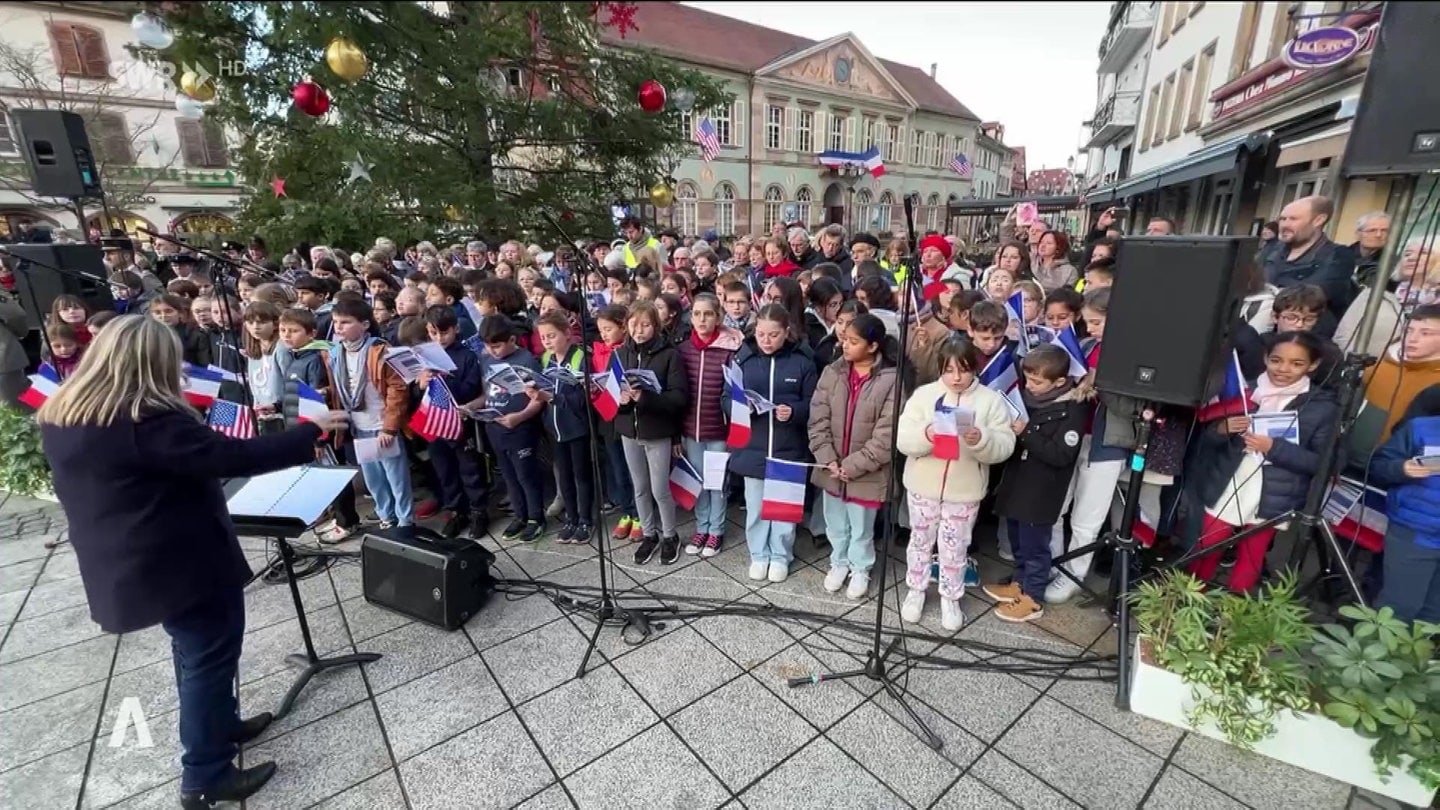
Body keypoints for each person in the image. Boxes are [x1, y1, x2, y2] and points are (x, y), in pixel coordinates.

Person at [36, 314, 348, 808]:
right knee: (206, 655)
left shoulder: (65, 413)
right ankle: (205, 775)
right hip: (178, 559)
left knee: (193, 650)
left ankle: (221, 726)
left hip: (129, 558)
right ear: (150, 363)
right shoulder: (144, 422)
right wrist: (309, 431)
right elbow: (229, 457)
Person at [1187, 331, 1337, 591]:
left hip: (1275, 491)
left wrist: (1274, 448)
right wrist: (1221, 430)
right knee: (1207, 545)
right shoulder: (1247, 393)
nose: (1283, 369)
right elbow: (1208, 440)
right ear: (1266, 357)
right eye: (1276, 360)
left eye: (1296, 363)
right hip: (1229, 478)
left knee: (1251, 557)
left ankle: (1232, 617)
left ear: (1313, 365)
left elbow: (1323, 463)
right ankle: (1186, 602)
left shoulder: (1321, 407)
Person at [896, 336, 1016, 629]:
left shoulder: (989, 400)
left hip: (964, 490)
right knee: (920, 541)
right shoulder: (924, 395)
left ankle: (951, 596)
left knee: (955, 546)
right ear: (940, 369)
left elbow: (1004, 445)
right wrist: (926, 434)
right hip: (923, 485)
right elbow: (902, 440)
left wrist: (981, 439)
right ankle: (916, 589)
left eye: (963, 369)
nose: (956, 377)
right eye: (949, 370)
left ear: (974, 368)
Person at [984, 345, 1088, 622]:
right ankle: (1019, 583)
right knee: (1018, 537)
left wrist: (1026, 431)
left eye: (1037, 381)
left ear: (1060, 382)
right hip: (1019, 481)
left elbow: (1062, 454)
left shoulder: (1072, 408)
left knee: (1035, 546)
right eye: (1027, 378)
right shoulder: (1029, 398)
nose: (1030, 385)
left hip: (1042, 490)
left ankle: (1032, 599)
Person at [810, 313, 896, 599]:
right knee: (835, 521)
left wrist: (853, 465)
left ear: (873, 346)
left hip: (866, 473)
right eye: (844, 339)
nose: (845, 346)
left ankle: (861, 567)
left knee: (861, 527)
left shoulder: (892, 380)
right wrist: (828, 458)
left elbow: (886, 435)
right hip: (830, 467)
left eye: (854, 341)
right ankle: (839, 561)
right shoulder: (832, 373)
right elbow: (817, 419)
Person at [730, 304, 818, 582]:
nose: (766, 341)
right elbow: (726, 396)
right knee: (755, 507)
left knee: (783, 509)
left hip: (788, 447)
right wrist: (742, 406)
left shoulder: (802, 361)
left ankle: (781, 555)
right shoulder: (742, 359)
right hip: (753, 446)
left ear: (786, 333)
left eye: (774, 335)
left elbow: (814, 403)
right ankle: (759, 554)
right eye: (761, 334)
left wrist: (793, 411)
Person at [328, 298, 414, 531]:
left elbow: (398, 389)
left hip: (381, 424)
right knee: (373, 479)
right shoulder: (335, 353)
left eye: (345, 322)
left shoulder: (379, 350)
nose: (338, 327)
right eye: (336, 322)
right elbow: (338, 388)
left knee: (396, 477)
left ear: (365, 324)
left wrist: (390, 426)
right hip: (359, 425)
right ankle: (386, 516)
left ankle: (405, 520)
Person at [616, 301, 689, 564]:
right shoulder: (621, 354)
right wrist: (621, 400)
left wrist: (645, 397)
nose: (639, 330)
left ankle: (670, 535)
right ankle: (649, 534)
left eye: (645, 324)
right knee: (640, 488)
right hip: (629, 431)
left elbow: (679, 397)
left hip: (657, 431)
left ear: (655, 326)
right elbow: (612, 392)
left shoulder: (669, 355)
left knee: (660, 489)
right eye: (634, 324)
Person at [676, 293, 744, 556]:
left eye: (708, 314)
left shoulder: (730, 349)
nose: (702, 319)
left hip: (718, 430)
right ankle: (701, 527)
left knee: (716, 482)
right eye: (697, 314)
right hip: (691, 431)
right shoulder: (683, 349)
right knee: (698, 482)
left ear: (718, 317)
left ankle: (716, 530)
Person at [1368, 405, 1440, 623]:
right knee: (1399, 609)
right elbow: (1377, 467)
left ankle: (1414, 658)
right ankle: (1369, 657)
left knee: (1434, 616)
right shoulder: (1421, 428)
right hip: (1414, 533)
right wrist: (1401, 468)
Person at [477, 316, 547, 541]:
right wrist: (470, 407)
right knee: (508, 475)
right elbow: (485, 392)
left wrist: (520, 417)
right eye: (488, 346)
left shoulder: (526, 360)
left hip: (521, 428)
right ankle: (520, 515)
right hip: (495, 427)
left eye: (497, 345)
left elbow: (539, 398)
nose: (492, 350)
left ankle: (536, 517)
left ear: (512, 340)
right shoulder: (486, 359)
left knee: (526, 474)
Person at [423, 305, 489, 539]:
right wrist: (421, 382)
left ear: (455, 329)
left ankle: (478, 511)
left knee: (469, 468)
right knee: (444, 469)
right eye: (433, 333)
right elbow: (414, 393)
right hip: (433, 419)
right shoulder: (425, 354)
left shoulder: (467, 355)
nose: (439, 338)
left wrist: (446, 379)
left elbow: (471, 388)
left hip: (460, 418)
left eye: (444, 333)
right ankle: (455, 510)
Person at [534, 310, 595, 543]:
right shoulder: (547, 358)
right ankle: (571, 518)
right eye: (543, 337)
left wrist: (551, 398)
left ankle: (585, 520)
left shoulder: (580, 357)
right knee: (564, 477)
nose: (547, 341)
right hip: (555, 427)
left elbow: (582, 399)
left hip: (576, 426)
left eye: (552, 336)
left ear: (567, 333)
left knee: (581, 475)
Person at [593, 305, 641, 542]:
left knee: (635, 471)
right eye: (601, 329)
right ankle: (627, 511)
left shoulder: (629, 351)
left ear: (623, 327)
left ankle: (640, 513)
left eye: (608, 329)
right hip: (606, 417)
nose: (604, 334)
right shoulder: (599, 351)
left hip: (627, 417)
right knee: (618, 469)